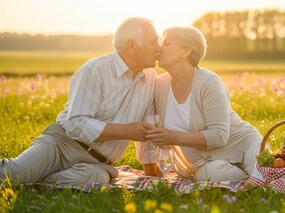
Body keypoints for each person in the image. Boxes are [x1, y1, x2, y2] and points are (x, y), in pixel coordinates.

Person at [0, 17, 161, 185]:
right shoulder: (95, 70)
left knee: (97, 179)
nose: (159, 48)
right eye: (153, 42)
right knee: (13, 176)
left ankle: (38, 179)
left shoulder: (150, 78)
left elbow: (147, 130)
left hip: (98, 164)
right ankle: (33, 175)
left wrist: (151, 175)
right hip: (61, 145)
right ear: (132, 45)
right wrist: (125, 131)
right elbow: (76, 123)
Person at [146, 26, 264, 181]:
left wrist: (174, 137)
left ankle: (259, 179)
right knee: (207, 176)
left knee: (269, 174)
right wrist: (153, 173)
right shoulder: (160, 85)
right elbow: (149, 128)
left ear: (186, 52)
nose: (160, 48)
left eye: (166, 44)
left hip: (243, 145)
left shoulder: (209, 81)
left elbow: (219, 135)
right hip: (207, 164)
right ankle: (254, 182)